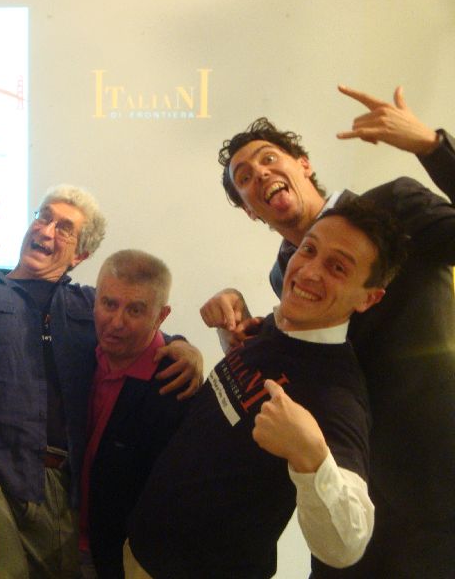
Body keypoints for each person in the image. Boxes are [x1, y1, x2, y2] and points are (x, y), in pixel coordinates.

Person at [202, 85, 455, 577]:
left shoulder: (394, 206)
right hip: (344, 477)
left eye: (269, 159)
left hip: (436, 480)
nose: (260, 175)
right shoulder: (283, 276)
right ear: (249, 210)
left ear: (304, 164)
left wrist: (432, 146)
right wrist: (245, 325)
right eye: (244, 178)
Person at [0, 187, 203, 578]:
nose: (47, 230)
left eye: (64, 228)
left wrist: (185, 347)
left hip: (53, 483)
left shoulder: (89, 305)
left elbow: (143, 335)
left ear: (79, 256)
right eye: (44, 217)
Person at [127, 201, 407, 578]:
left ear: (368, 297)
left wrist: (312, 456)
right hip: (140, 549)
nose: (309, 271)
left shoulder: (336, 394)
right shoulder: (278, 329)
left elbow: (348, 546)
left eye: (337, 267)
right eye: (309, 249)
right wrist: (227, 324)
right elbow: (244, 403)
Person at [80, 250, 191, 578]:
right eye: (109, 303)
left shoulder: (176, 388)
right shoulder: (79, 351)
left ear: (161, 316)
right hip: (56, 539)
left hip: (119, 562)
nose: (116, 322)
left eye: (135, 310)